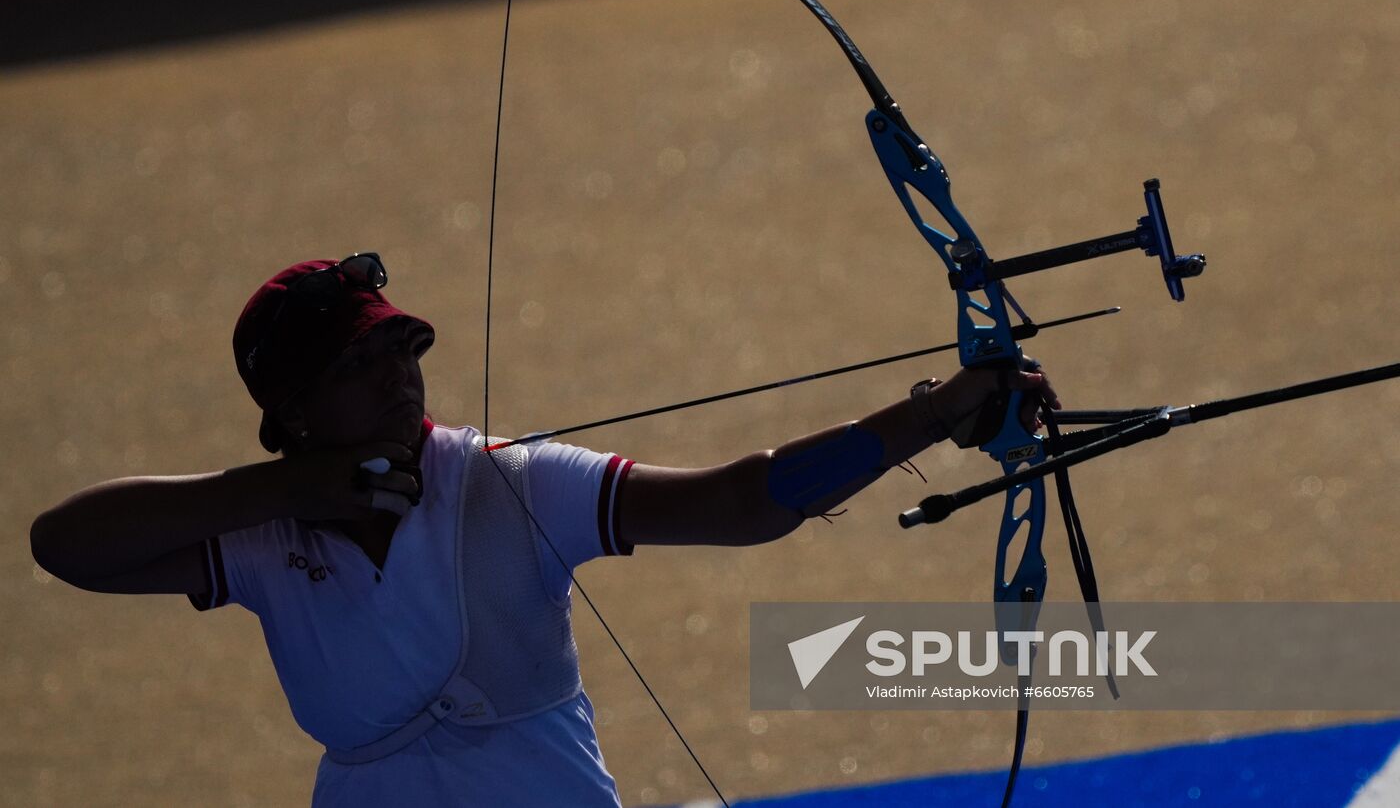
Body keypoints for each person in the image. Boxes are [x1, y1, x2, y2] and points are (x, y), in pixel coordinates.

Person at [29, 251, 1059, 807]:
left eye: (403, 353)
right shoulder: (258, 530)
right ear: (293, 411)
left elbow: (740, 502)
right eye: (359, 366)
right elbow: (63, 545)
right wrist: (291, 491)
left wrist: (928, 411)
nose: (399, 379)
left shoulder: (507, 482)